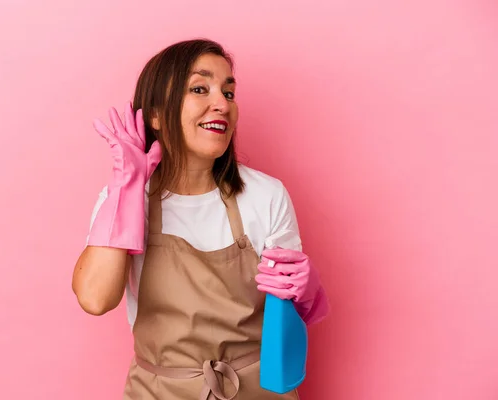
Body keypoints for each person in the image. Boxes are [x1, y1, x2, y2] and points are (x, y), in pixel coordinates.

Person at [72, 38, 329, 399]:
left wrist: (306, 291)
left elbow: (286, 316)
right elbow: (96, 298)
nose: (221, 104)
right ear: (157, 114)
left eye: (229, 92)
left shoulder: (266, 196)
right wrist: (126, 189)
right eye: (199, 88)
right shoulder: (128, 199)